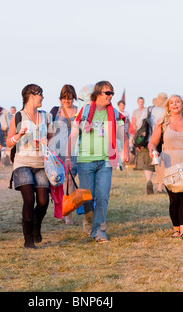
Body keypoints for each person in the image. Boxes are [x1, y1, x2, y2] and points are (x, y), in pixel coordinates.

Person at [68, 81, 129, 243]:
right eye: (107, 93)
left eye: (111, 93)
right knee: (88, 197)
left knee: (102, 196)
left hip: (106, 161)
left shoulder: (115, 113)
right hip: (85, 160)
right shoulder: (85, 111)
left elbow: (123, 135)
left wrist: (126, 151)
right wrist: (68, 157)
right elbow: (73, 135)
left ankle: (100, 230)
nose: (110, 96)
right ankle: (89, 221)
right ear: (97, 94)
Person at [6, 84, 52, 249]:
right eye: (41, 94)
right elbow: (8, 141)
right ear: (32, 95)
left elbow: (52, 139)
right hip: (22, 163)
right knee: (29, 199)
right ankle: (28, 240)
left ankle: (36, 225)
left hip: (41, 164)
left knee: (43, 201)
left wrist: (47, 142)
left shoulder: (46, 116)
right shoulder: (17, 116)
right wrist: (18, 136)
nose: (43, 97)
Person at [148, 95, 183, 239]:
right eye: (171, 102)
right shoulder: (163, 123)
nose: (175, 104)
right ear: (168, 107)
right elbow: (152, 142)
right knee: (174, 198)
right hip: (168, 163)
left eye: (178, 101)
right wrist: (152, 150)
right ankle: (175, 229)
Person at [49, 84, 78, 225]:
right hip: (57, 150)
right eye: (64, 98)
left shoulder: (79, 112)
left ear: (74, 97)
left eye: (70, 98)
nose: (67, 101)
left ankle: (68, 214)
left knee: (70, 180)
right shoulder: (55, 111)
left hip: (73, 150)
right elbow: (48, 130)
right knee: (60, 181)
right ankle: (61, 209)